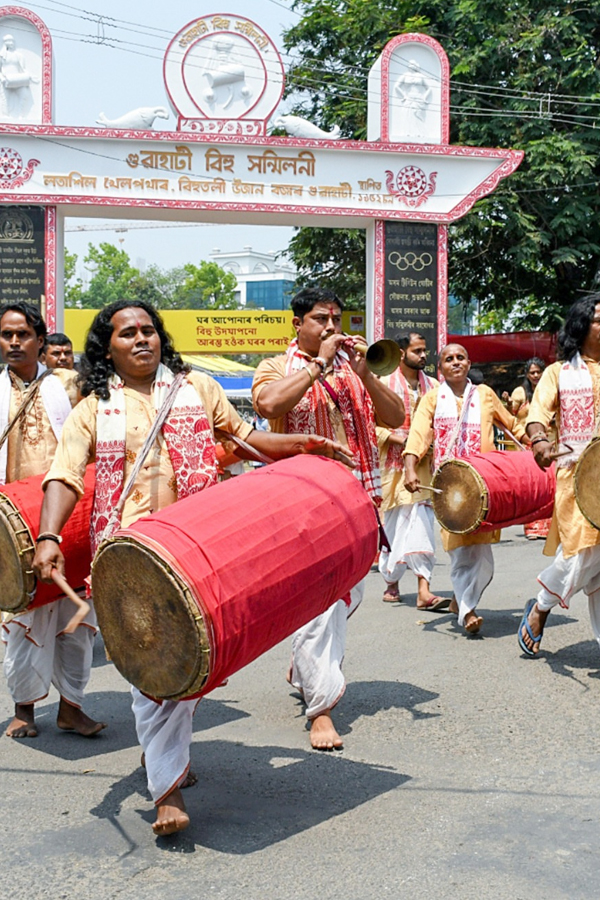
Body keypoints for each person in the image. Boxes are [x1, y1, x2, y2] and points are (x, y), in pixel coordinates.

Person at [32, 298, 353, 836]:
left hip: (198, 550)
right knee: (148, 674)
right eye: (127, 333)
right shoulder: (94, 407)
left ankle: (164, 754)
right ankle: (168, 790)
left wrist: (300, 446)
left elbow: (245, 440)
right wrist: (46, 536)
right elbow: (64, 476)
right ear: (106, 347)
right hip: (128, 559)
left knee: (188, 666)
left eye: (149, 330)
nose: (141, 339)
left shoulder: (196, 388)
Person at [252, 286, 404, 751]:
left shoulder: (353, 369)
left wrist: (367, 376)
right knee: (320, 601)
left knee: (345, 596)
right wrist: (317, 364)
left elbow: (397, 415)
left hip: (356, 498)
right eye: (321, 319)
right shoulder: (276, 366)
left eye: (337, 319)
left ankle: (305, 666)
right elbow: (268, 406)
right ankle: (321, 707)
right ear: (297, 324)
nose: (332, 327)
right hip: (300, 499)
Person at [0, 302, 103, 740]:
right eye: (6, 335)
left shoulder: (71, 386)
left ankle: (71, 707)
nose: (13, 342)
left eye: (22, 334)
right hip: (10, 521)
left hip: (68, 517)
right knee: (21, 618)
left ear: (40, 341)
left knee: (74, 619)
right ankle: (24, 708)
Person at [404, 343, 525, 635]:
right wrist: (409, 467)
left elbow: (511, 426)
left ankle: (461, 598)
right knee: (459, 551)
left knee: (483, 556)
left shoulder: (484, 395)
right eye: (449, 359)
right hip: (448, 488)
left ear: (469, 364)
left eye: (460, 358)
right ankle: (468, 611)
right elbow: (418, 436)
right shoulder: (432, 399)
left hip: (484, 485)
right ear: (441, 367)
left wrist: (536, 443)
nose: (455, 362)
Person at [518, 294, 600, 657]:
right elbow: (538, 415)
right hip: (579, 479)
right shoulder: (558, 373)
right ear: (582, 326)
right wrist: (538, 439)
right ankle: (541, 605)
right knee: (580, 555)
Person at [377, 331, 444, 608]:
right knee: (392, 526)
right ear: (401, 353)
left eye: (425, 350)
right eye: (417, 351)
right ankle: (391, 579)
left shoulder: (435, 386)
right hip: (392, 468)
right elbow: (367, 423)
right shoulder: (382, 384)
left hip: (424, 467)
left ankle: (423, 588)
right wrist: (395, 438)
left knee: (421, 523)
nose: (424, 356)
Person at [502, 357, 552, 540]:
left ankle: (548, 528)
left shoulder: (549, 390)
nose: (536, 375)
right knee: (531, 488)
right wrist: (507, 403)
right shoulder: (520, 392)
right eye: (532, 372)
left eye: (539, 372)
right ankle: (532, 528)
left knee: (548, 486)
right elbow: (509, 417)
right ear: (527, 374)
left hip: (548, 444)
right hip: (526, 447)